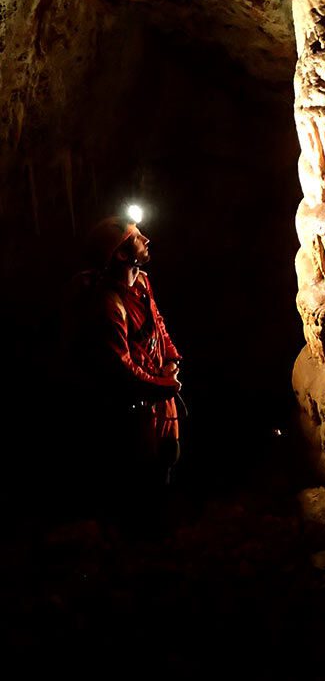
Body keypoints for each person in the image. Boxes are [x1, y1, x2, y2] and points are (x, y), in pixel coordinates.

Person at [67, 213, 183, 523]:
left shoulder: (143, 283)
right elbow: (120, 365)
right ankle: (142, 538)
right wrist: (163, 385)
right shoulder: (109, 303)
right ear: (120, 253)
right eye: (136, 237)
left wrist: (171, 359)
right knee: (142, 471)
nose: (146, 239)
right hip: (137, 407)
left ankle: (164, 525)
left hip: (158, 394)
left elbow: (158, 325)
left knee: (168, 455)